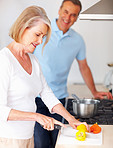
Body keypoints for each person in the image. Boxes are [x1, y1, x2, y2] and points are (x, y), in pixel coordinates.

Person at [0, 5, 89, 148]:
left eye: (43, 36)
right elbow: (1, 110)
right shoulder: (4, 60)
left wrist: (71, 120)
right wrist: (37, 116)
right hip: (9, 139)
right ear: (23, 27)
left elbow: (47, 94)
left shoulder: (33, 60)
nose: (41, 41)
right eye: (37, 34)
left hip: (28, 137)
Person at [33, 0, 113, 148]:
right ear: (59, 10)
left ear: (77, 18)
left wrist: (94, 91)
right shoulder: (42, 31)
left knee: (58, 141)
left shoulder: (78, 40)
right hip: (36, 98)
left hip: (59, 99)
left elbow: (84, 67)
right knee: (41, 142)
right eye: (66, 12)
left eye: (73, 15)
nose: (68, 17)